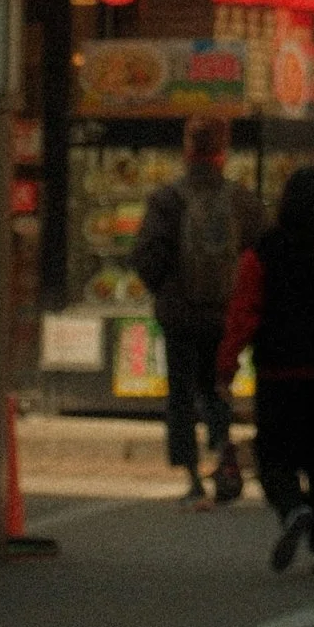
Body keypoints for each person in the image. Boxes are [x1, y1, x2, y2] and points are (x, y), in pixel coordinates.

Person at [219, 167, 314, 572]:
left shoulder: (263, 252)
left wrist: (226, 366)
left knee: (274, 455)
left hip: (278, 370)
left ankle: (291, 507)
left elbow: (243, 313)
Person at [133, 116, 252, 506]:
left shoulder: (167, 199)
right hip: (223, 312)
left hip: (180, 314)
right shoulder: (240, 199)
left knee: (180, 394)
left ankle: (190, 475)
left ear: (188, 150)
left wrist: (166, 290)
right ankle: (223, 458)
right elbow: (259, 251)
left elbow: (147, 257)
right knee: (216, 388)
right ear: (222, 152)